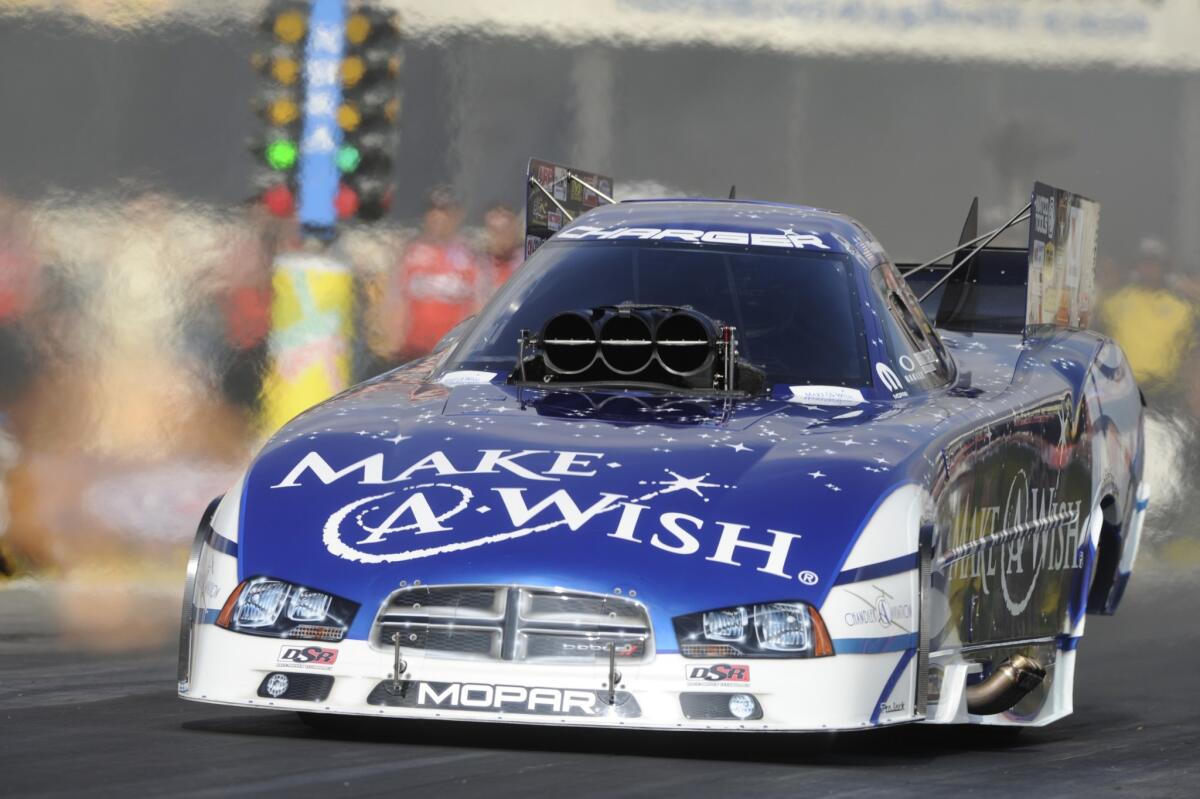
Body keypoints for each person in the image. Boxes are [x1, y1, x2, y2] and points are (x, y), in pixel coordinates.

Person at [383, 188, 482, 362]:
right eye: (433, 212)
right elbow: (396, 301)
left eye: (445, 213)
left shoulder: (471, 257)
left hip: (453, 353)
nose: (438, 218)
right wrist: (392, 346)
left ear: (457, 216)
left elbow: (479, 304)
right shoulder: (411, 253)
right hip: (413, 354)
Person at [1100, 238, 1195, 395]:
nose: (1150, 268)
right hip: (1122, 385)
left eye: (1155, 263)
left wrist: (1187, 287)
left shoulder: (1180, 306)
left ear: (1165, 267)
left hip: (1163, 391)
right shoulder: (1119, 299)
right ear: (1137, 266)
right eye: (1145, 262)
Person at [479, 202, 523, 295]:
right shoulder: (479, 266)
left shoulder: (526, 263)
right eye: (495, 230)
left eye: (506, 229)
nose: (501, 237)